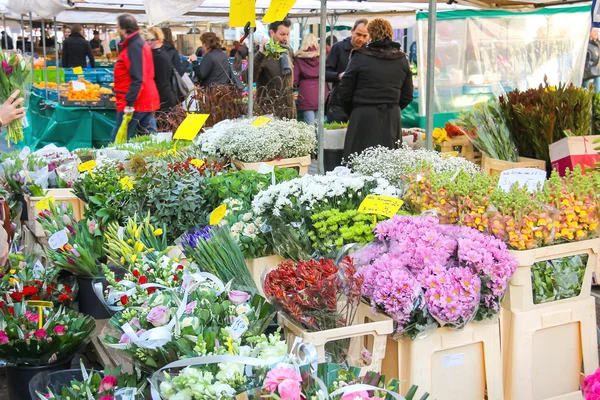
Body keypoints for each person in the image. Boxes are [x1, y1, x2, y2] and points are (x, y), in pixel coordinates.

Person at [337, 18, 413, 159]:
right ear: (390, 35)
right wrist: (392, 106)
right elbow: (408, 95)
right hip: (391, 117)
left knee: (359, 164)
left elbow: (344, 91)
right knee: (389, 165)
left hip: (363, 116)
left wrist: (354, 111)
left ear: (370, 35)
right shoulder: (402, 59)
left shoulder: (359, 56)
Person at [112, 14, 160, 141]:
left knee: (118, 142)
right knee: (150, 140)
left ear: (123, 29)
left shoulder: (133, 47)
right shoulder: (139, 44)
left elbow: (138, 77)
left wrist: (129, 103)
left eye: (117, 27)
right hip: (146, 99)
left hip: (136, 102)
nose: (117, 30)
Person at [325, 18, 369, 123]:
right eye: (358, 34)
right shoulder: (338, 48)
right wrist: (339, 76)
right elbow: (325, 74)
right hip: (338, 105)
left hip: (360, 104)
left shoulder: (369, 51)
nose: (361, 39)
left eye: (365, 36)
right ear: (352, 30)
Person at [252, 18, 296, 119]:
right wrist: (260, 54)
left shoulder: (287, 52)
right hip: (268, 111)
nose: (285, 38)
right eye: (282, 34)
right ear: (272, 33)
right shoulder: (264, 54)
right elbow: (248, 78)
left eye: (288, 34)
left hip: (287, 110)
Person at [140, 27, 178, 112]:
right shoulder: (163, 53)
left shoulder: (157, 56)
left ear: (151, 40)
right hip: (165, 96)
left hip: (162, 99)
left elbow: (160, 81)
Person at [294, 34, 326, 126]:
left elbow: (294, 79)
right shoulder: (321, 57)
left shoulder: (299, 58)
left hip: (305, 92)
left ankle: (312, 140)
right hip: (320, 91)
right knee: (319, 125)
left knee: (309, 124)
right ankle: (319, 140)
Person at [585, 28, 600, 93]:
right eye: (594, 31)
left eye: (597, 31)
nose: (596, 33)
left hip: (597, 70)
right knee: (585, 91)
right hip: (587, 70)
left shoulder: (598, 43)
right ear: (589, 32)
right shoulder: (585, 43)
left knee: (597, 91)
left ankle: (596, 102)